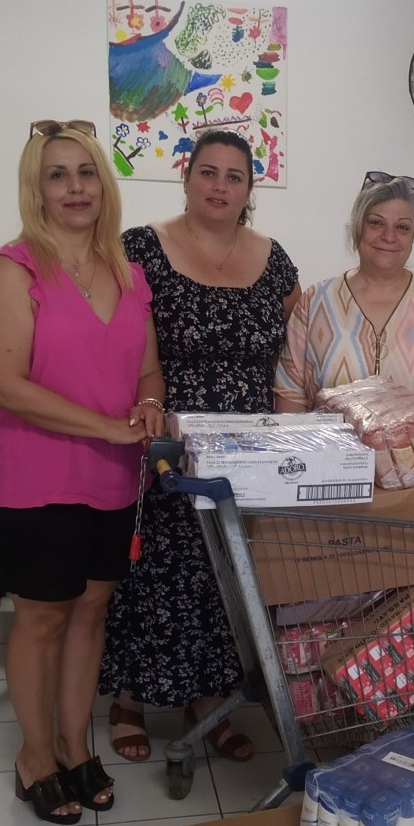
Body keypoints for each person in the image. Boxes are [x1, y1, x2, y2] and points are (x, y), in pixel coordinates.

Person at [0, 119, 166, 823]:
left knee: (90, 612)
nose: (75, 187)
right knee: (44, 618)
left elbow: (147, 371)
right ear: (37, 190)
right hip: (35, 479)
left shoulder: (129, 275)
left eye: (86, 173)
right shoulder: (12, 271)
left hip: (113, 478)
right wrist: (109, 426)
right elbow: (5, 385)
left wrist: (148, 407)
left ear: (103, 185)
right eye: (57, 175)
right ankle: (35, 755)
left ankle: (75, 745)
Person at [100, 128, 301, 762]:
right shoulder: (142, 248)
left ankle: (207, 702)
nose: (219, 186)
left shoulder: (274, 260)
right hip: (167, 438)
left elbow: (303, 347)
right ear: (186, 177)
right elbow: (116, 342)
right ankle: (130, 698)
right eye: (208, 172)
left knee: (228, 574)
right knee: (158, 569)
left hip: (249, 448)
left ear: (249, 189)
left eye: (234, 176)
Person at [274, 171, 414, 431]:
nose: (389, 236)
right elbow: (291, 394)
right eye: (376, 223)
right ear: (358, 227)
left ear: (413, 236)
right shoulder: (316, 303)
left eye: (402, 227)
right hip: (335, 457)